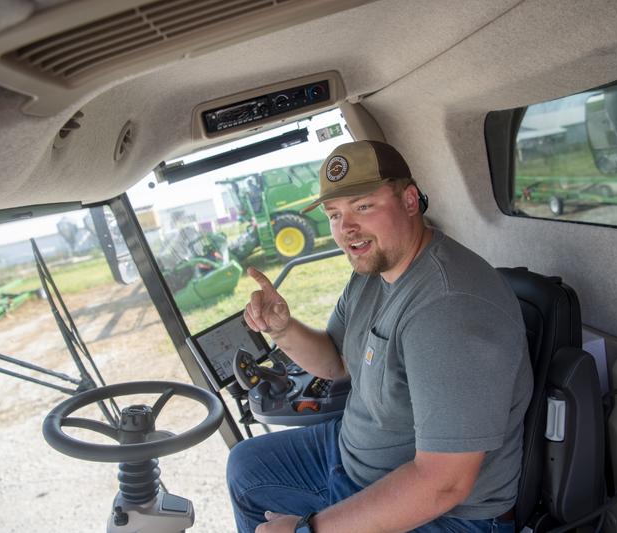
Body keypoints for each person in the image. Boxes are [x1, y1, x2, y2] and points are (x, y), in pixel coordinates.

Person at [227, 140, 533, 533]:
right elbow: (336, 362)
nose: (346, 228)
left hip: (448, 516)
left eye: (363, 207)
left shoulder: (448, 307)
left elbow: (445, 483)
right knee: (246, 468)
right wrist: (282, 329)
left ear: (409, 201)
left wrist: (309, 530)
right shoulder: (372, 275)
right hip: (352, 456)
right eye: (334, 214)